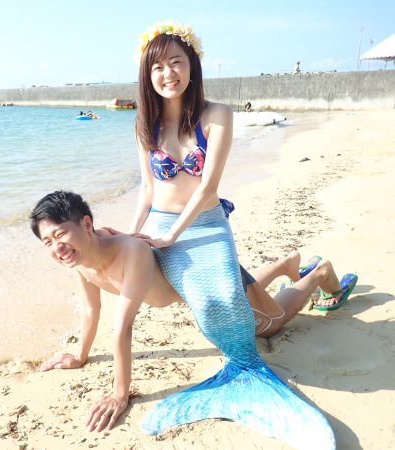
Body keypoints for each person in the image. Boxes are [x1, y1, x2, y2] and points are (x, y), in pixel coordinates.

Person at [125, 21, 336, 448]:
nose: (168, 73)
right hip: (161, 225)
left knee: (259, 324)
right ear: (147, 76)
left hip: (204, 224)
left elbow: (208, 188)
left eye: (176, 62)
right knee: (216, 305)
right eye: (157, 67)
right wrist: (134, 235)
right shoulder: (145, 124)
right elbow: (147, 188)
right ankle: (286, 265)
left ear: (192, 65)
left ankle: (316, 275)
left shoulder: (217, 114)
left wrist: (171, 238)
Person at [30, 191, 352, 448]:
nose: (58, 247)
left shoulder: (130, 252)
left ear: (86, 224)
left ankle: (318, 274)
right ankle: (285, 265)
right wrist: (80, 355)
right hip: (196, 290)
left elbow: (123, 326)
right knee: (250, 301)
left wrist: (119, 393)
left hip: (207, 285)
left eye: (61, 234)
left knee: (268, 327)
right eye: (48, 242)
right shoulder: (82, 260)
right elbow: (91, 310)